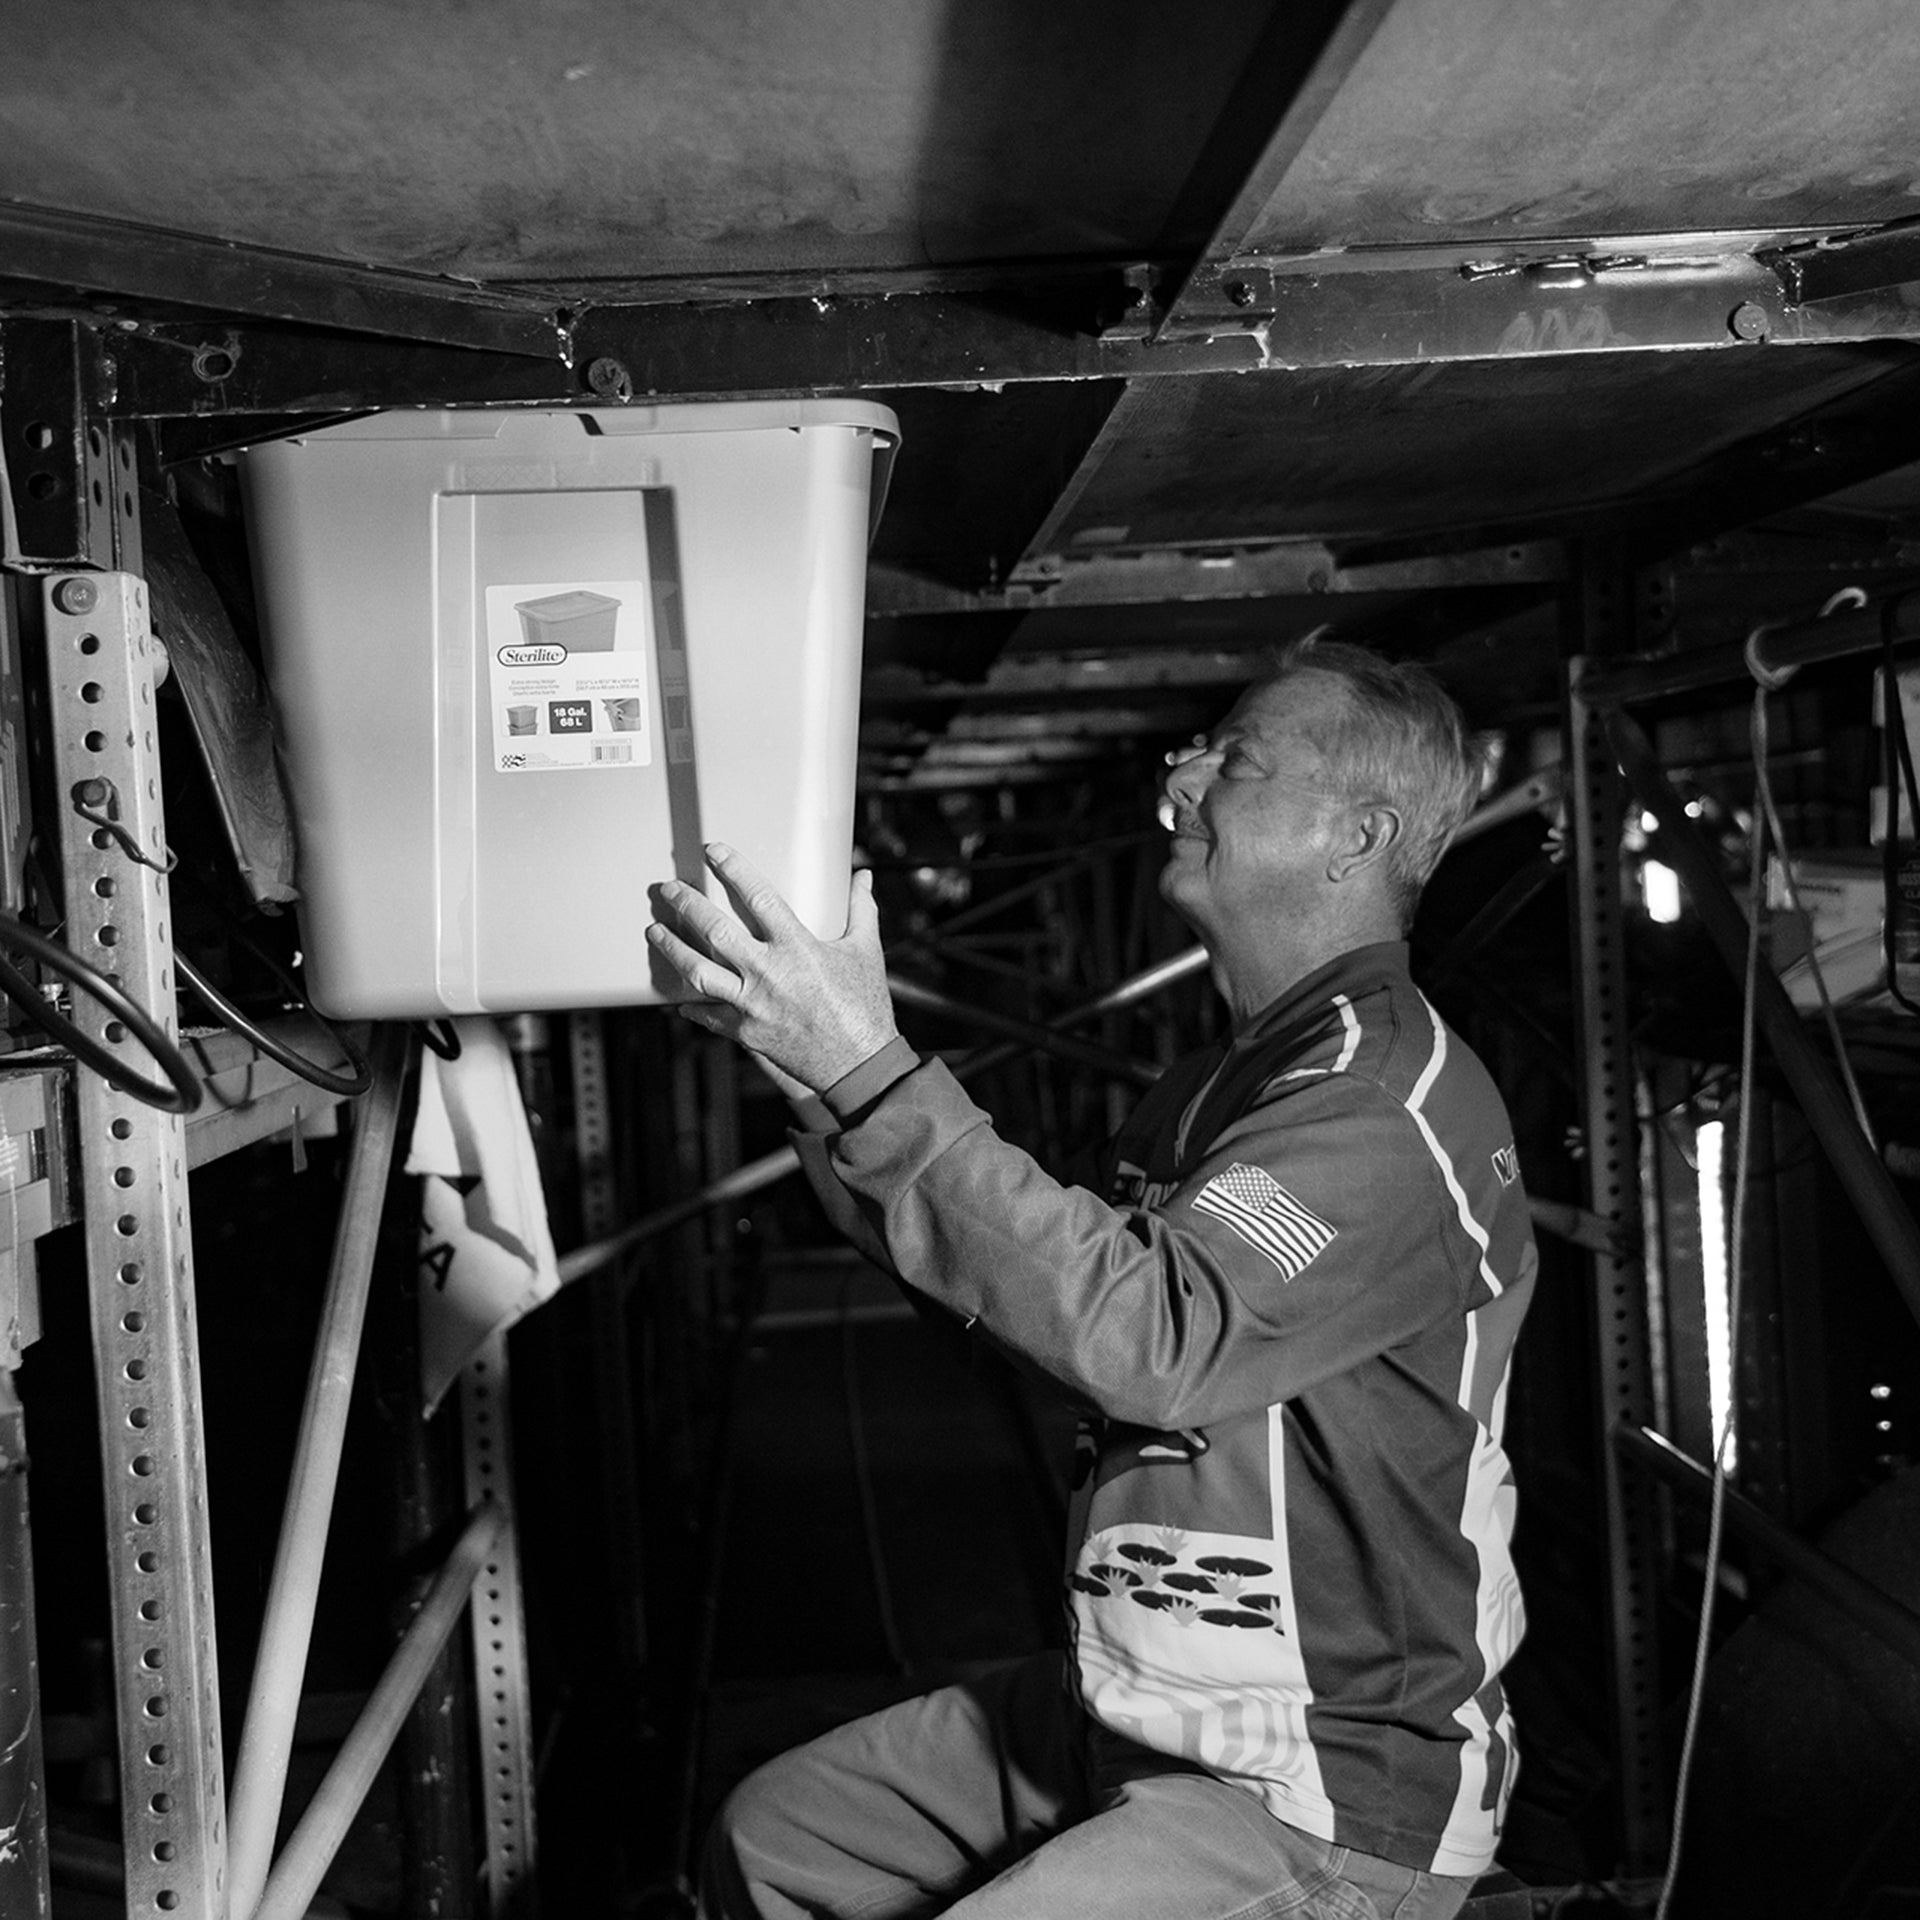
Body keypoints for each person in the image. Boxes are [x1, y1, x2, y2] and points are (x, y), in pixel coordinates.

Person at [645, 636, 1537, 1920]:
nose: (1182, 772)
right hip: (1128, 1703)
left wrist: (867, 1063)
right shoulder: (1227, 1084)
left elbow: (1149, 1341)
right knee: (779, 1841)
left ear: (1357, 837)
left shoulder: (1379, 1103)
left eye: (1236, 756)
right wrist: (801, 1055)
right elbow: (1036, 1310)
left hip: (1308, 1773)